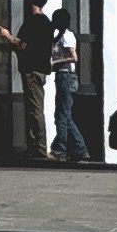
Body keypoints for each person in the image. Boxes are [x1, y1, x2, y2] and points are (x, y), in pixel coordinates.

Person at [0, 0, 57, 161]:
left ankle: (38, 148)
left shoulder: (33, 22)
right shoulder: (46, 23)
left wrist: (7, 36)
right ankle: (36, 147)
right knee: (36, 107)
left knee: (34, 108)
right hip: (41, 68)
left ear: (31, 1)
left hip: (31, 69)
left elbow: (22, 45)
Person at [49, 12, 90, 165]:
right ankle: (79, 149)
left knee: (61, 115)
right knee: (65, 115)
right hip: (65, 76)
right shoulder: (61, 35)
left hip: (65, 76)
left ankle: (60, 149)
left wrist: (56, 62)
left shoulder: (66, 36)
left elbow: (74, 57)